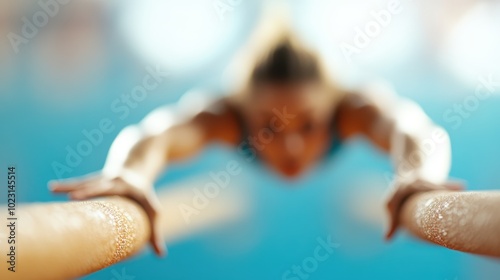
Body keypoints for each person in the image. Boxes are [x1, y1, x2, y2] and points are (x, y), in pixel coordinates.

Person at [49, 23, 462, 257]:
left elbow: (414, 129)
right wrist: (129, 174)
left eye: (308, 126)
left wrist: (417, 174)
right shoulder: (224, 116)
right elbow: (157, 133)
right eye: (270, 127)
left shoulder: (354, 108)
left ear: (332, 107)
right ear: (244, 113)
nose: (292, 147)